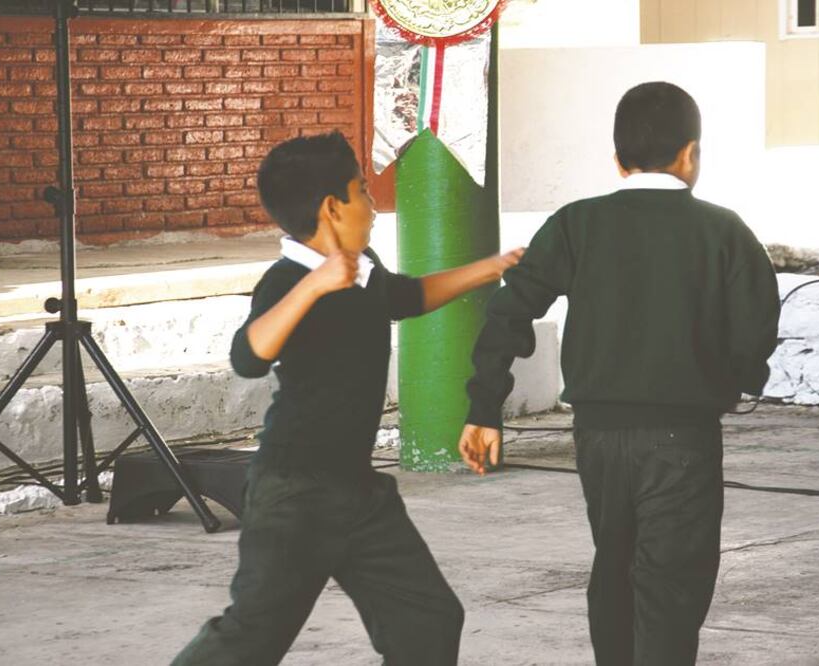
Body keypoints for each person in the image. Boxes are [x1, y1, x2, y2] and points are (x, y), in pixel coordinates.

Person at [458, 81, 781, 665]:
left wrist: (485, 408)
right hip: (683, 437)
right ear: (691, 154)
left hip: (598, 439)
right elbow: (756, 324)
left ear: (617, 159)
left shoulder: (576, 224)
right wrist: (735, 380)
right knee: (670, 586)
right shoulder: (724, 230)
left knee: (615, 568)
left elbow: (508, 310)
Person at [173, 131, 522, 666]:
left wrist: (495, 266)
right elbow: (249, 356)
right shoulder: (288, 279)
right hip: (294, 493)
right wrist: (315, 287)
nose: (374, 207)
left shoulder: (364, 269)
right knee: (251, 637)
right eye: (363, 191)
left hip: (359, 494)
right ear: (333, 208)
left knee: (427, 620)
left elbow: (408, 296)